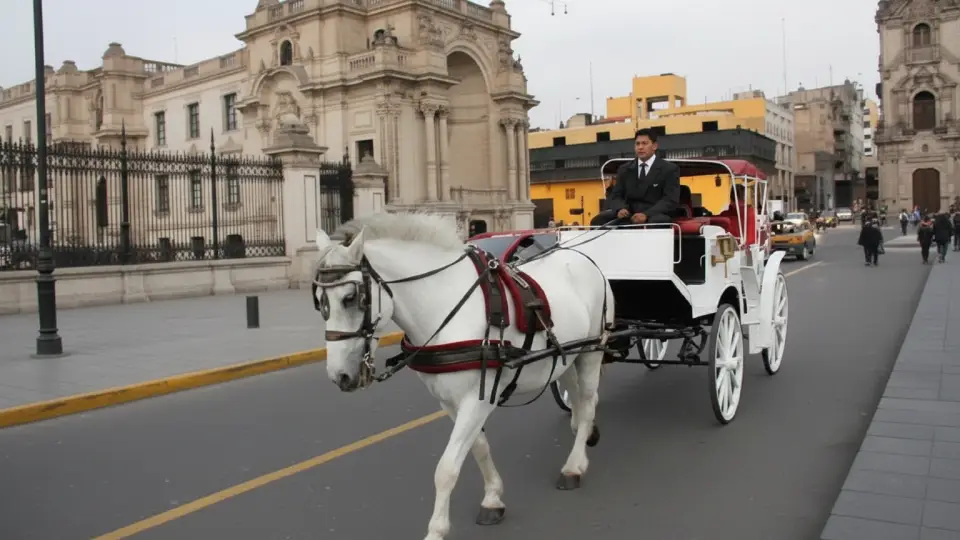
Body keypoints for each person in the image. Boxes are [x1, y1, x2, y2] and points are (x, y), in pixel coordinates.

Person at [591, 128, 680, 227]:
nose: (640, 147)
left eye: (644, 143)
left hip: (654, 214)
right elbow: (616, 196)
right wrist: (620, 209)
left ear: (654, 146)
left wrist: (646, 214)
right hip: (629, 213)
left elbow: (670, 200)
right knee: (598, 220)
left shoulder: (669, 169)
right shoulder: (624, 169)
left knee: (658, 221)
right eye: (637, 144)